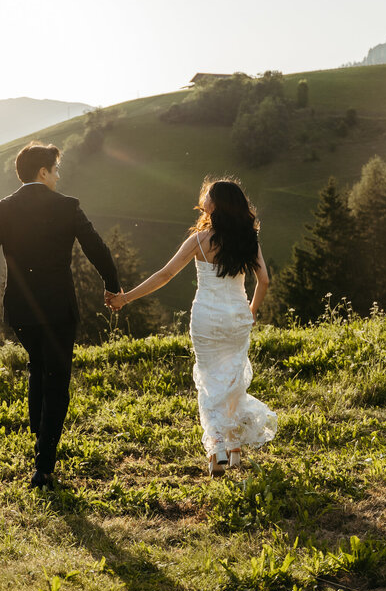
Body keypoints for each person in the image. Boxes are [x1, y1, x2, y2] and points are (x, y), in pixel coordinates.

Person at [0, 142, 121, 489]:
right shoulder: (67, 207)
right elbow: (96, 248)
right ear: (43, 172)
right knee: (56, 380)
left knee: (38, 369)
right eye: (55, 169)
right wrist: (112, 286)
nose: (58, 176)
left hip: (22, 310)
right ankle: (44, 465)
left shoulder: (1, 209)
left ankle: (40, 443)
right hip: (58, 308)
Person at [109, 178, 276, 476]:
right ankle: (234, 450)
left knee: (210, 382)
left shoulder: (199, 240)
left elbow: (165, 275)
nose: (204, 198)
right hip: (237, 317)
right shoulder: (248, 238)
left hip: (207, 319)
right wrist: (251, 311)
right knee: (232, 382)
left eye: (208, 195)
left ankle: (217, 452)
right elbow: (263, 281)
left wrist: (126, 298)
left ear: (216, 205)